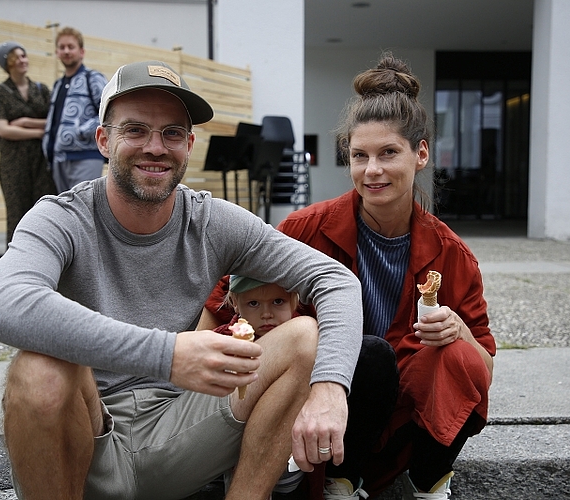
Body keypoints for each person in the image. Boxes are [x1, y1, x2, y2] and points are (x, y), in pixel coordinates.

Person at [0, 60, 363, 500]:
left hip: (181, 433)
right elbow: (1, 302)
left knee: (301, 338)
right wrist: (168, 353)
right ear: (104, 140)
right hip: (87, 436)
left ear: (190, 144)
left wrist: (331, 388)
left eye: (172, 133)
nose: (155, 147)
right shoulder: (61, 217)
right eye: (135, 130)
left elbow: (335, 279)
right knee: (38, 368)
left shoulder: (211, 220)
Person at [201, 53, 496, 500]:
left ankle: (431, 481)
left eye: (388, 153)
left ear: (421, 154)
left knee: (457, 355)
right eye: (360, 156)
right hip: (322, 419)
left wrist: (459, 331)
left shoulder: (452, 255)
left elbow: (484, 370)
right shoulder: (304, 229)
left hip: (405, 425)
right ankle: (342, 482)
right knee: (370, 355)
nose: (372, 170)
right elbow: (226, 296)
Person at [213, 275, 305, 495]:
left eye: (278, 302)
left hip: (288, 447)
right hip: (232, 443)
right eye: (253, 303)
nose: (266, 313)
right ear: (235, 302)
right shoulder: (222, 342)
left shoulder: (304, 341)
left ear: (294, 299)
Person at [0, 41, 57, 242]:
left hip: (41, 162)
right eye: (16, 57)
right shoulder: (0, 91)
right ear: (7, 63)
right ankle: (14, 266)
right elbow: (3, 130)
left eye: (24, 56)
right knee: (16, 215)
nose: (22, 60)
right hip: (13, 164)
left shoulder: (41, 89)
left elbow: (55, 123)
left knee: (43, 212)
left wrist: (25, 122)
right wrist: (37, 133)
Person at [43, 27, 108, 193]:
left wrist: (80, 131)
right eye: (62, 47)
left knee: (85, 208)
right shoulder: (58, 85)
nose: (66, 51)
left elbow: (109, 113)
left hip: (86, 156)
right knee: (66, 213)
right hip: (58, 160)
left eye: (71, 47)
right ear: (57, 52)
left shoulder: (93, 78)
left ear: (82, 51)